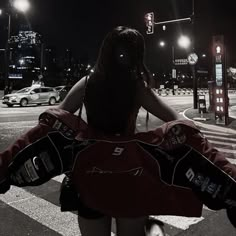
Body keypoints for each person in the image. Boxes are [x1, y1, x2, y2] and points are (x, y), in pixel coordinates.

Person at [57, 26, 180, 236]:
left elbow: (56, 117)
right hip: (129, 172)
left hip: (91, 173)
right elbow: (175, 121)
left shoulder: (87, 83)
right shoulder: (137, 87)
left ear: (104, 51)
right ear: (136, 55)